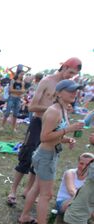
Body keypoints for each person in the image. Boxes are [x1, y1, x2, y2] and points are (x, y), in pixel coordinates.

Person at [7, 58, 82, 207]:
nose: (71, 76)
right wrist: (52, 109)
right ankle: (13, 190)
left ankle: (29, 190)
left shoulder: (68, 87)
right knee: (26, 156)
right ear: (64, 67)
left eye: (75, 74)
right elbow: (32, 107)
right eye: (71, 72)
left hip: (54, 126)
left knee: (41, 161)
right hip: (38, 123)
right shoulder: (47, 81)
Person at [18, 80, 83, 224]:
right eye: (70, 91)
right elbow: (44, 137)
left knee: (37, 188)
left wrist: (66, 139)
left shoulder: (63, 109)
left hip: (49, 154)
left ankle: (25, 215)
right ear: (59, 93)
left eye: (75, 91)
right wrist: (69, 129)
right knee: (46, 195)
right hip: (46, 156)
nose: (74, 94)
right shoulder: (54, 111)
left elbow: (54, 134)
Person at [56, 141, 94, 224]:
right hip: (64, 203)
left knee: (84, 205)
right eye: (81, 163)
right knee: (81, 204)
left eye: (87, 165)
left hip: (79, 203)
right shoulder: (70, 173)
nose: (83, 167)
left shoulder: (90, 178)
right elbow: (72, 191)